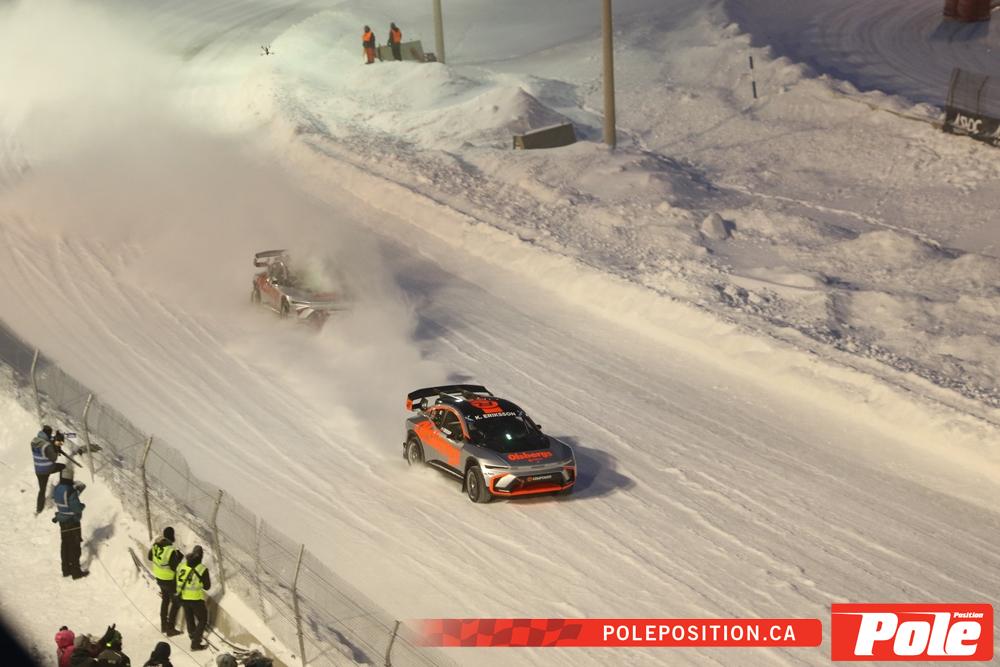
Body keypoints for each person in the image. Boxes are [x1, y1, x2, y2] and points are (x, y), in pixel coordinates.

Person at [53, 463, 89, 578]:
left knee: (65, 546)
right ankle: (76, 572)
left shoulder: (57, 488)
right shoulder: (70, 491)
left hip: (62, 522)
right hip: (72, 522)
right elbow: (76, 508)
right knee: (75, 547)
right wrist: (82, 505)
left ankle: (66, 570)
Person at [147, 527, 183, 636]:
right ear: (172, 536)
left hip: (159, 578)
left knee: (165, 600)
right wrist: (179, 558)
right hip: (169, 580)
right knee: (176, 602)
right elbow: (174, 567)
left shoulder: (156, 545)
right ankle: (170, 628)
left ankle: (163, 626)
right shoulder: (170, 550)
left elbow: (150, 557)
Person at [176, 545, 211, 650]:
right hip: (196, 598)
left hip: (183, 596)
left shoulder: (182, 565)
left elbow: (177, 578)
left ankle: (192, 635)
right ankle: (195, 643)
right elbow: (207, 586)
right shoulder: (202, 569)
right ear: (201, 556)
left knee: (189, 617)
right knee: (203, 619)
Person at [31, 425, 59, 514]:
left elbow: (42, 450)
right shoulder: (47, 445)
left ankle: (39, 509)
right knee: (63, 467)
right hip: (47, 469)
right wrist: (56, 448)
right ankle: (59, 491)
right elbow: (54, 458)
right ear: (48, 434)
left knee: (42, 490)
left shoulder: (34, 441)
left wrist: (51, 443)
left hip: (38, 470)